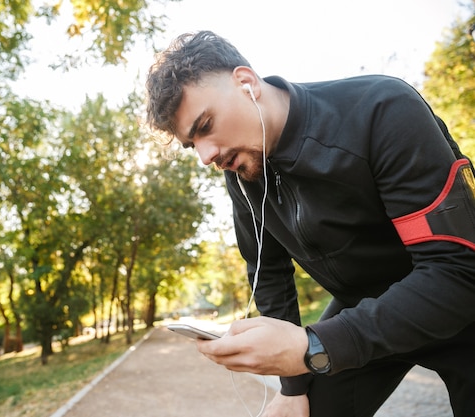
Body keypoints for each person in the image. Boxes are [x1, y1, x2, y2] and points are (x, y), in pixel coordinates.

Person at [145, 30, 475, 417]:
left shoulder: (382, 109)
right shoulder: (241, 172)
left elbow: (458, 271)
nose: (205, 155)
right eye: (191, 144)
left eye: (205, 126)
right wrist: (293, 386)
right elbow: (268, 273)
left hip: (457, 307)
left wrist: (313, 346)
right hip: (360, 311)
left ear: (246, 82)